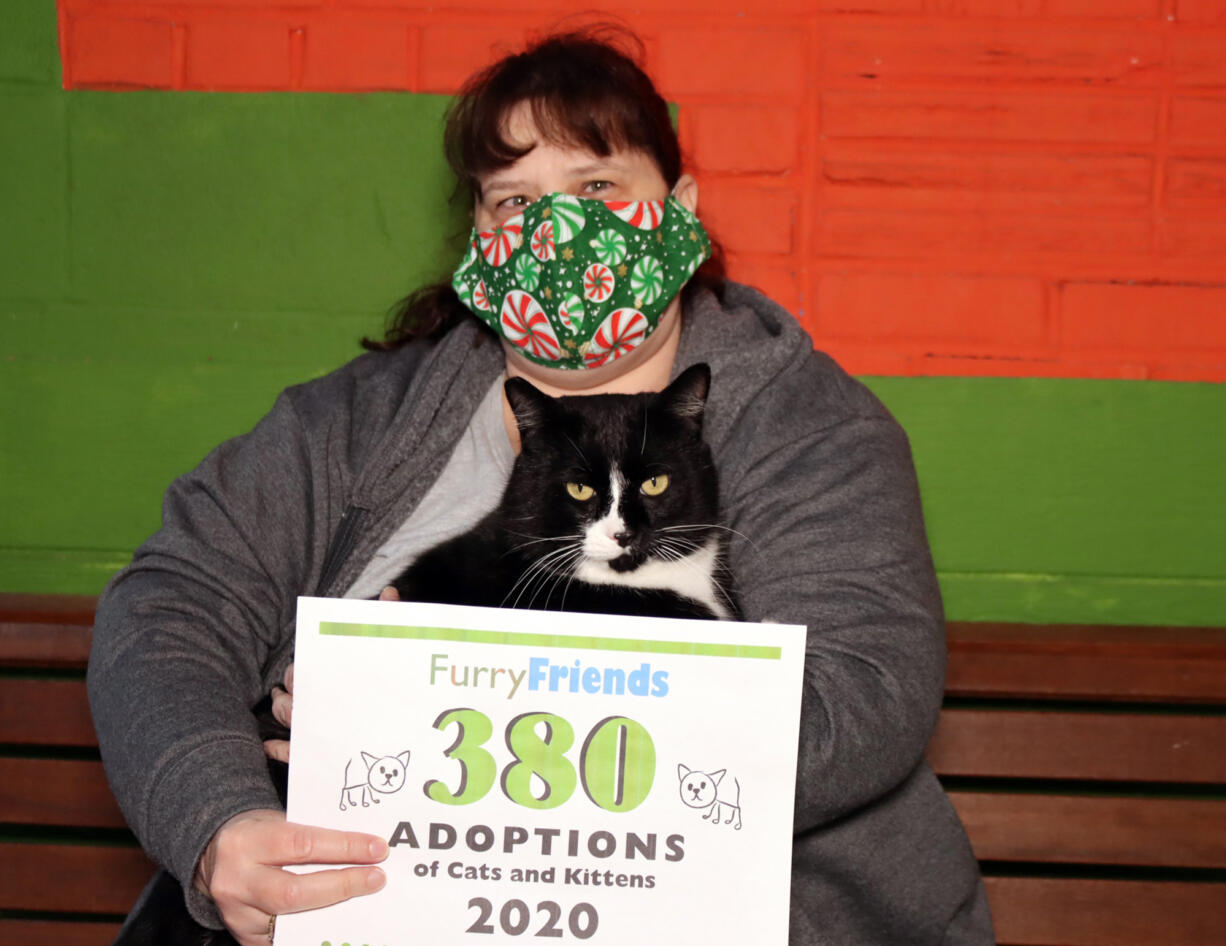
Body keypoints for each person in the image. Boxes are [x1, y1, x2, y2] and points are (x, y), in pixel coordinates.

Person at [88, 26, 994, 946]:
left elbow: (859, 695)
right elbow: (175, 601)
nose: (560, 231)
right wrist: (220, 819)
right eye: (514, 200)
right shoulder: (358, 424)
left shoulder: (810, 431)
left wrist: (415, 708)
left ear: (679, 205)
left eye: (597, 187)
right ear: (478, 239)